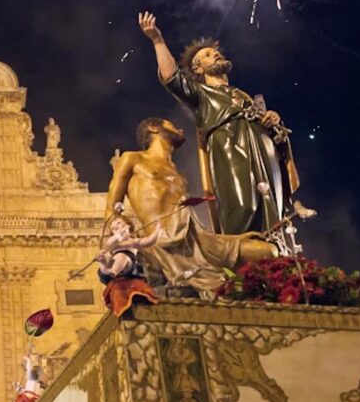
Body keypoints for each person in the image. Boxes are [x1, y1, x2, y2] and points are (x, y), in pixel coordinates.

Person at [138, 11, 299, 235]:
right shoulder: (201, 94)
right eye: (207, 55)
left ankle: (274, 260)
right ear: (198, 69)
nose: (215, 55)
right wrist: (157, 40)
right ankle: (243, 261)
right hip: (230, 147)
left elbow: (273, 130)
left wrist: (272, 120)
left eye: (215, 53)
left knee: (272, 209)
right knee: (242, 205)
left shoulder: (243, 96)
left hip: (262, 151)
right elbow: (171, 77)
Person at [105, 117, 278, 297]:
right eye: (171, 124)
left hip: (200, 241)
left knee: (269, 251)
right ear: (154, 127)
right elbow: (111, 211)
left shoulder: (176, 172)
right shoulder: (132, 159)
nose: (179, 128)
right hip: (164, 244)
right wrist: (122, 245)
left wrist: (233, 237)